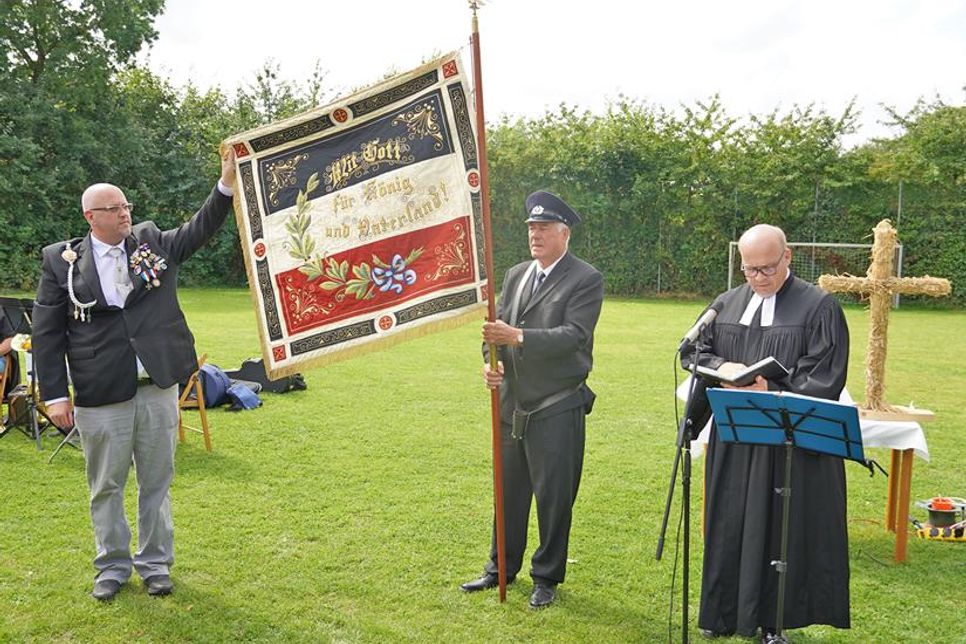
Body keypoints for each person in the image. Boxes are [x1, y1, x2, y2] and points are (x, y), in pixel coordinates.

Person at [31, 147, 237, 601]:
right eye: (114, 208)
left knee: (157, 481)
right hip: (99, 390)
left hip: (157, 386)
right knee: (105, 485)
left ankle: (155, 564)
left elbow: (197, 231)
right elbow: (46, 333)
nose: (124, 213)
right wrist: (55, 394)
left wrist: (225, 186)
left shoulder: (150, 242)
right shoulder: (60, 261)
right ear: (91, 216)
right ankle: (111, 566)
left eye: (126, 206)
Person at [681, 224, 851, 641]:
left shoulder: (818, 307)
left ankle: (774, 622)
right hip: (736, 436)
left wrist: (772, 387)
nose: (758, 278)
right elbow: (692, 350)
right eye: (749, 269)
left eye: (767, 268)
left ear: (788, 257)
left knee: (780, 529)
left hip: (787, 443)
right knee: (729, 523)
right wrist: (725, 370)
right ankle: (721, 613)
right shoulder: (727, 303)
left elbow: (825, 374)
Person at [460, 190, 604, 609]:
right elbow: (494, 333)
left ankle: (547, 577)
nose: (535, 235)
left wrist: (517, 337)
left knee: (554, 497)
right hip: (511, 406)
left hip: (556, 406)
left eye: (543, 229)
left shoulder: (585, 278)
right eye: (531, 229)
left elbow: (574, 336)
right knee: (508, 492)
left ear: (564, 234)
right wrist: (493, 363)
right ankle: (499, 568)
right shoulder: (516, 274)